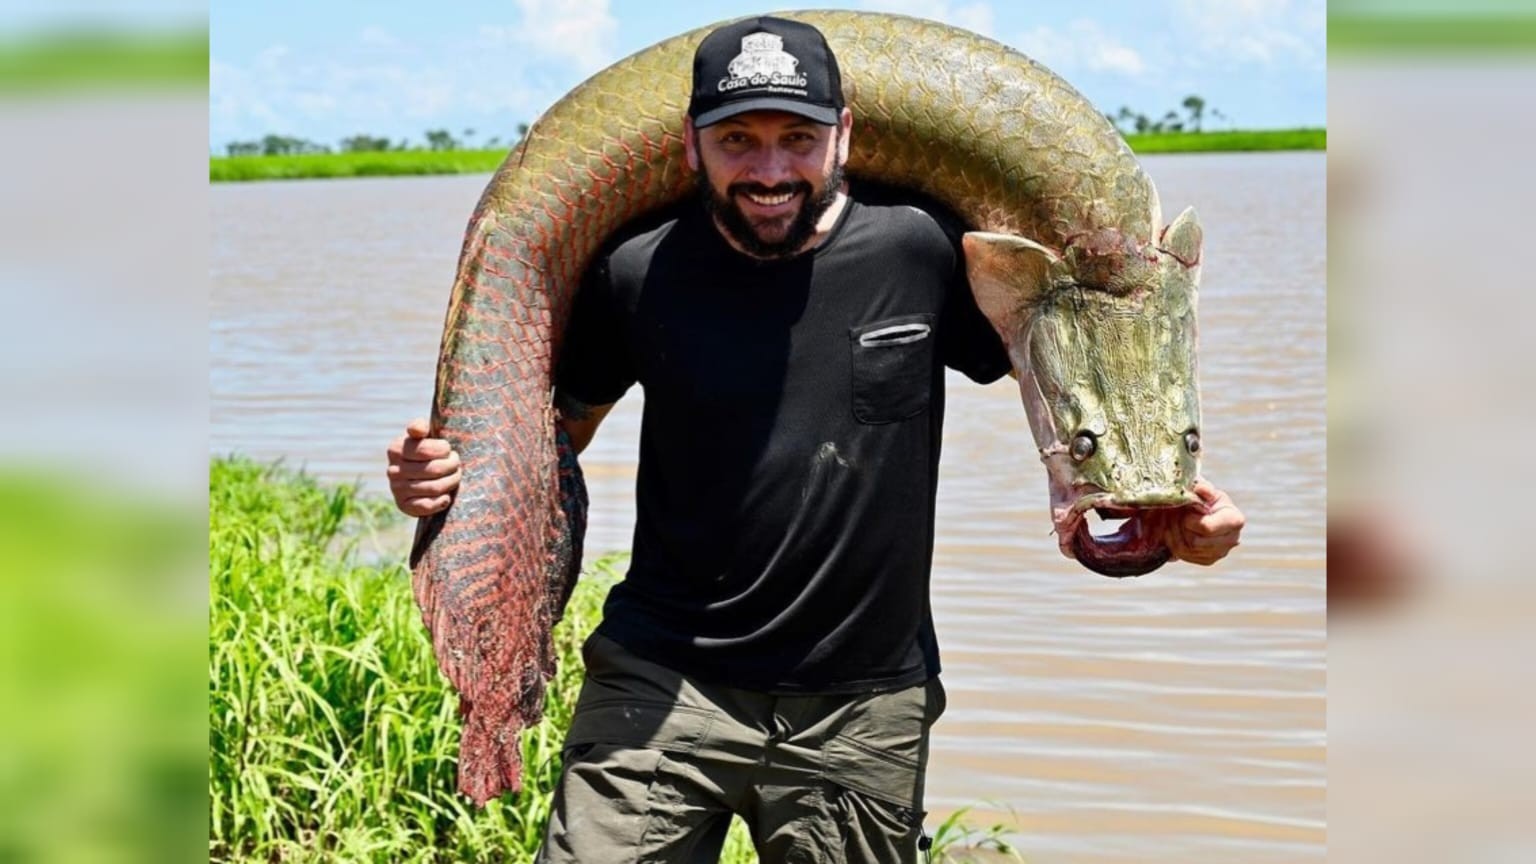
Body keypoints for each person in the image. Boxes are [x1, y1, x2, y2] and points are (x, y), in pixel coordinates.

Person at [386, 15, 1245, 863]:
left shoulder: (925, 253)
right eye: (738, 141)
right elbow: (555, 440)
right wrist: (441, 476)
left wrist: (1182, 524)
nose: (769, 170)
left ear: (845, 137)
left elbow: (1075, 376)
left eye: (797, 137)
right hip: (658, 684)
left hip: (859, 713)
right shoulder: (638, 269)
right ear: (690, 146)